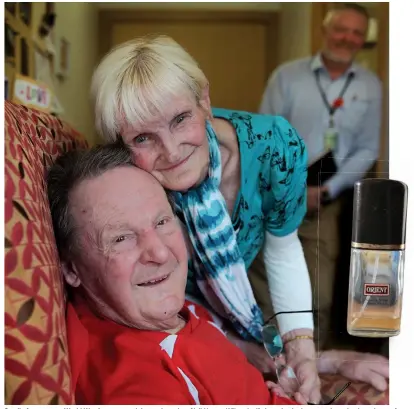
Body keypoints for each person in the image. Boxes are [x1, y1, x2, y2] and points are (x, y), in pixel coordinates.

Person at [48, 144, 389, 404]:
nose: (160, 253)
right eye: (121, 238)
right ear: (71, 269)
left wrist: (322, 362)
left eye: (162, 222)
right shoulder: (135, 383)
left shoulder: (168, 310)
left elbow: (232, 352)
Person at [91, 34, 320, 403]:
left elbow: (282, 250)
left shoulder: (276, 148)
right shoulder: (126, 184)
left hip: (242, 285)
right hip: (181, 311)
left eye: (180, 119)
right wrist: (231, 345)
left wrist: (304, 351)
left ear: (205, 101)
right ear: (120, 145)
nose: (171, 150)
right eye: (143, 138)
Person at [259, 3, 382, 349]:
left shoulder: (371, 86)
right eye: (342, 29)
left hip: (326, 202)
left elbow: (367, 148)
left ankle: (319, 366)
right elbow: (267, 138)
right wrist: (292, 189)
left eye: (358, 32)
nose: (349, 38)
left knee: (321, 292)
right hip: (280, 197)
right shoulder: (288, 76)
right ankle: (273, 363)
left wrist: (326, 191)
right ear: (325, 30)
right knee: (273, 284)